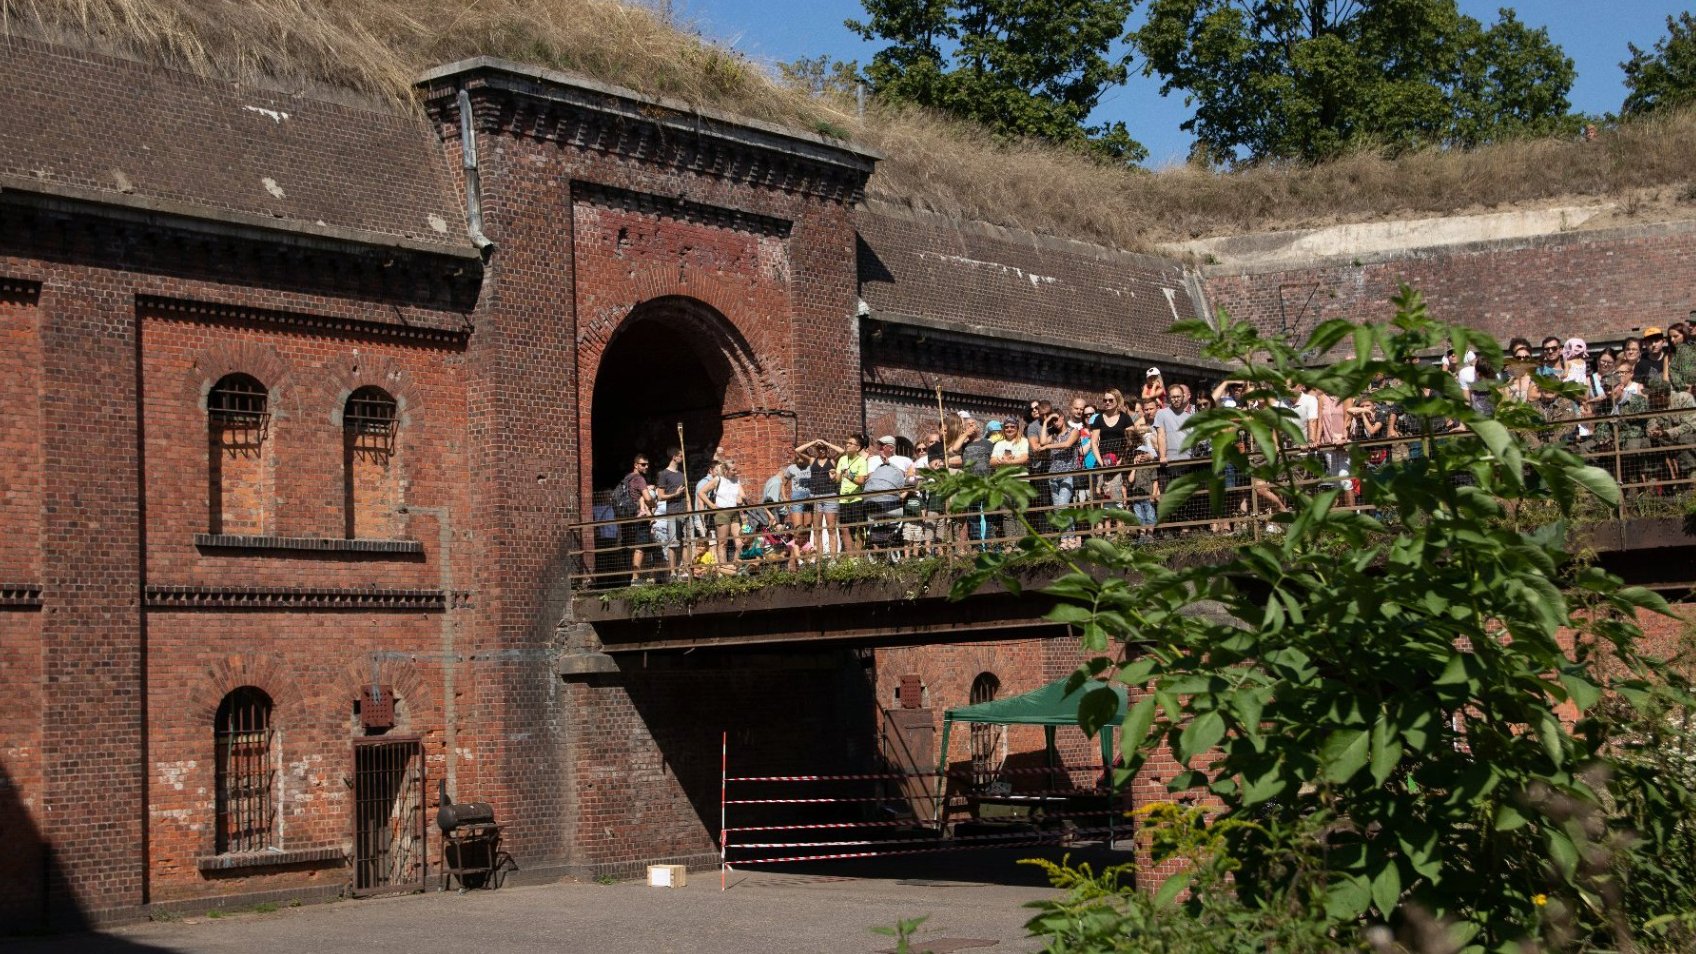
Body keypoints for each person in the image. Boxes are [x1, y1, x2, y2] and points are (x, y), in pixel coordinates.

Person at [613, 454, 654, 585]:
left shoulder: (627, 478)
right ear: (636, 465)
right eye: (643, 464)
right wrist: (654, 504)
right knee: (640, 547)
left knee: (628, 546)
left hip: (627, 517)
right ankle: (636, 579)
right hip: (639, 516)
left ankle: (627, 578)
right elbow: (647, 498)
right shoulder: (640, 479)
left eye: (647, 464)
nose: (646, 466)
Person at [651, 447, 689, 581]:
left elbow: (687, 495)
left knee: (686, 542)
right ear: (674, 457)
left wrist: (688, 508)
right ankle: (673, 572)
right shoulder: (664, 474)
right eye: (681, 456)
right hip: (672, 511)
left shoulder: (681, 474)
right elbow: (660, 496)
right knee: (673, 543)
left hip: (684, 511)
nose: (682, 458)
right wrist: (675, 494)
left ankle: (684, 570)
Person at [700, 459, 745, 567]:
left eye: (736, 469)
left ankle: (734, 566)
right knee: (722, 543)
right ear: (726, 470)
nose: (736, 472)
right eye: (733, 470)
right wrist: (711, 505)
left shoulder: (736, 480)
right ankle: (724, 569)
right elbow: (701, 492)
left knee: (740, 543)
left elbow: (743, 495)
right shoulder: (718, 479)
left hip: (735, 513)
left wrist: (740, 497)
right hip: (722, 513)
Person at [834, 434, 873, 555]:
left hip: (856, 498)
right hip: (843, 499)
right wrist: (834, 475)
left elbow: (861, 480)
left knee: (859, 527)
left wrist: (849, 475)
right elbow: (837, 479)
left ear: (857, 447)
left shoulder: (861, 461)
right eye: (847, 443)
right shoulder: (842, 459)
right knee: (844, 528)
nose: (847, 445)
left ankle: (859, 554)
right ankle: (851, 556)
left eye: (850, 443)